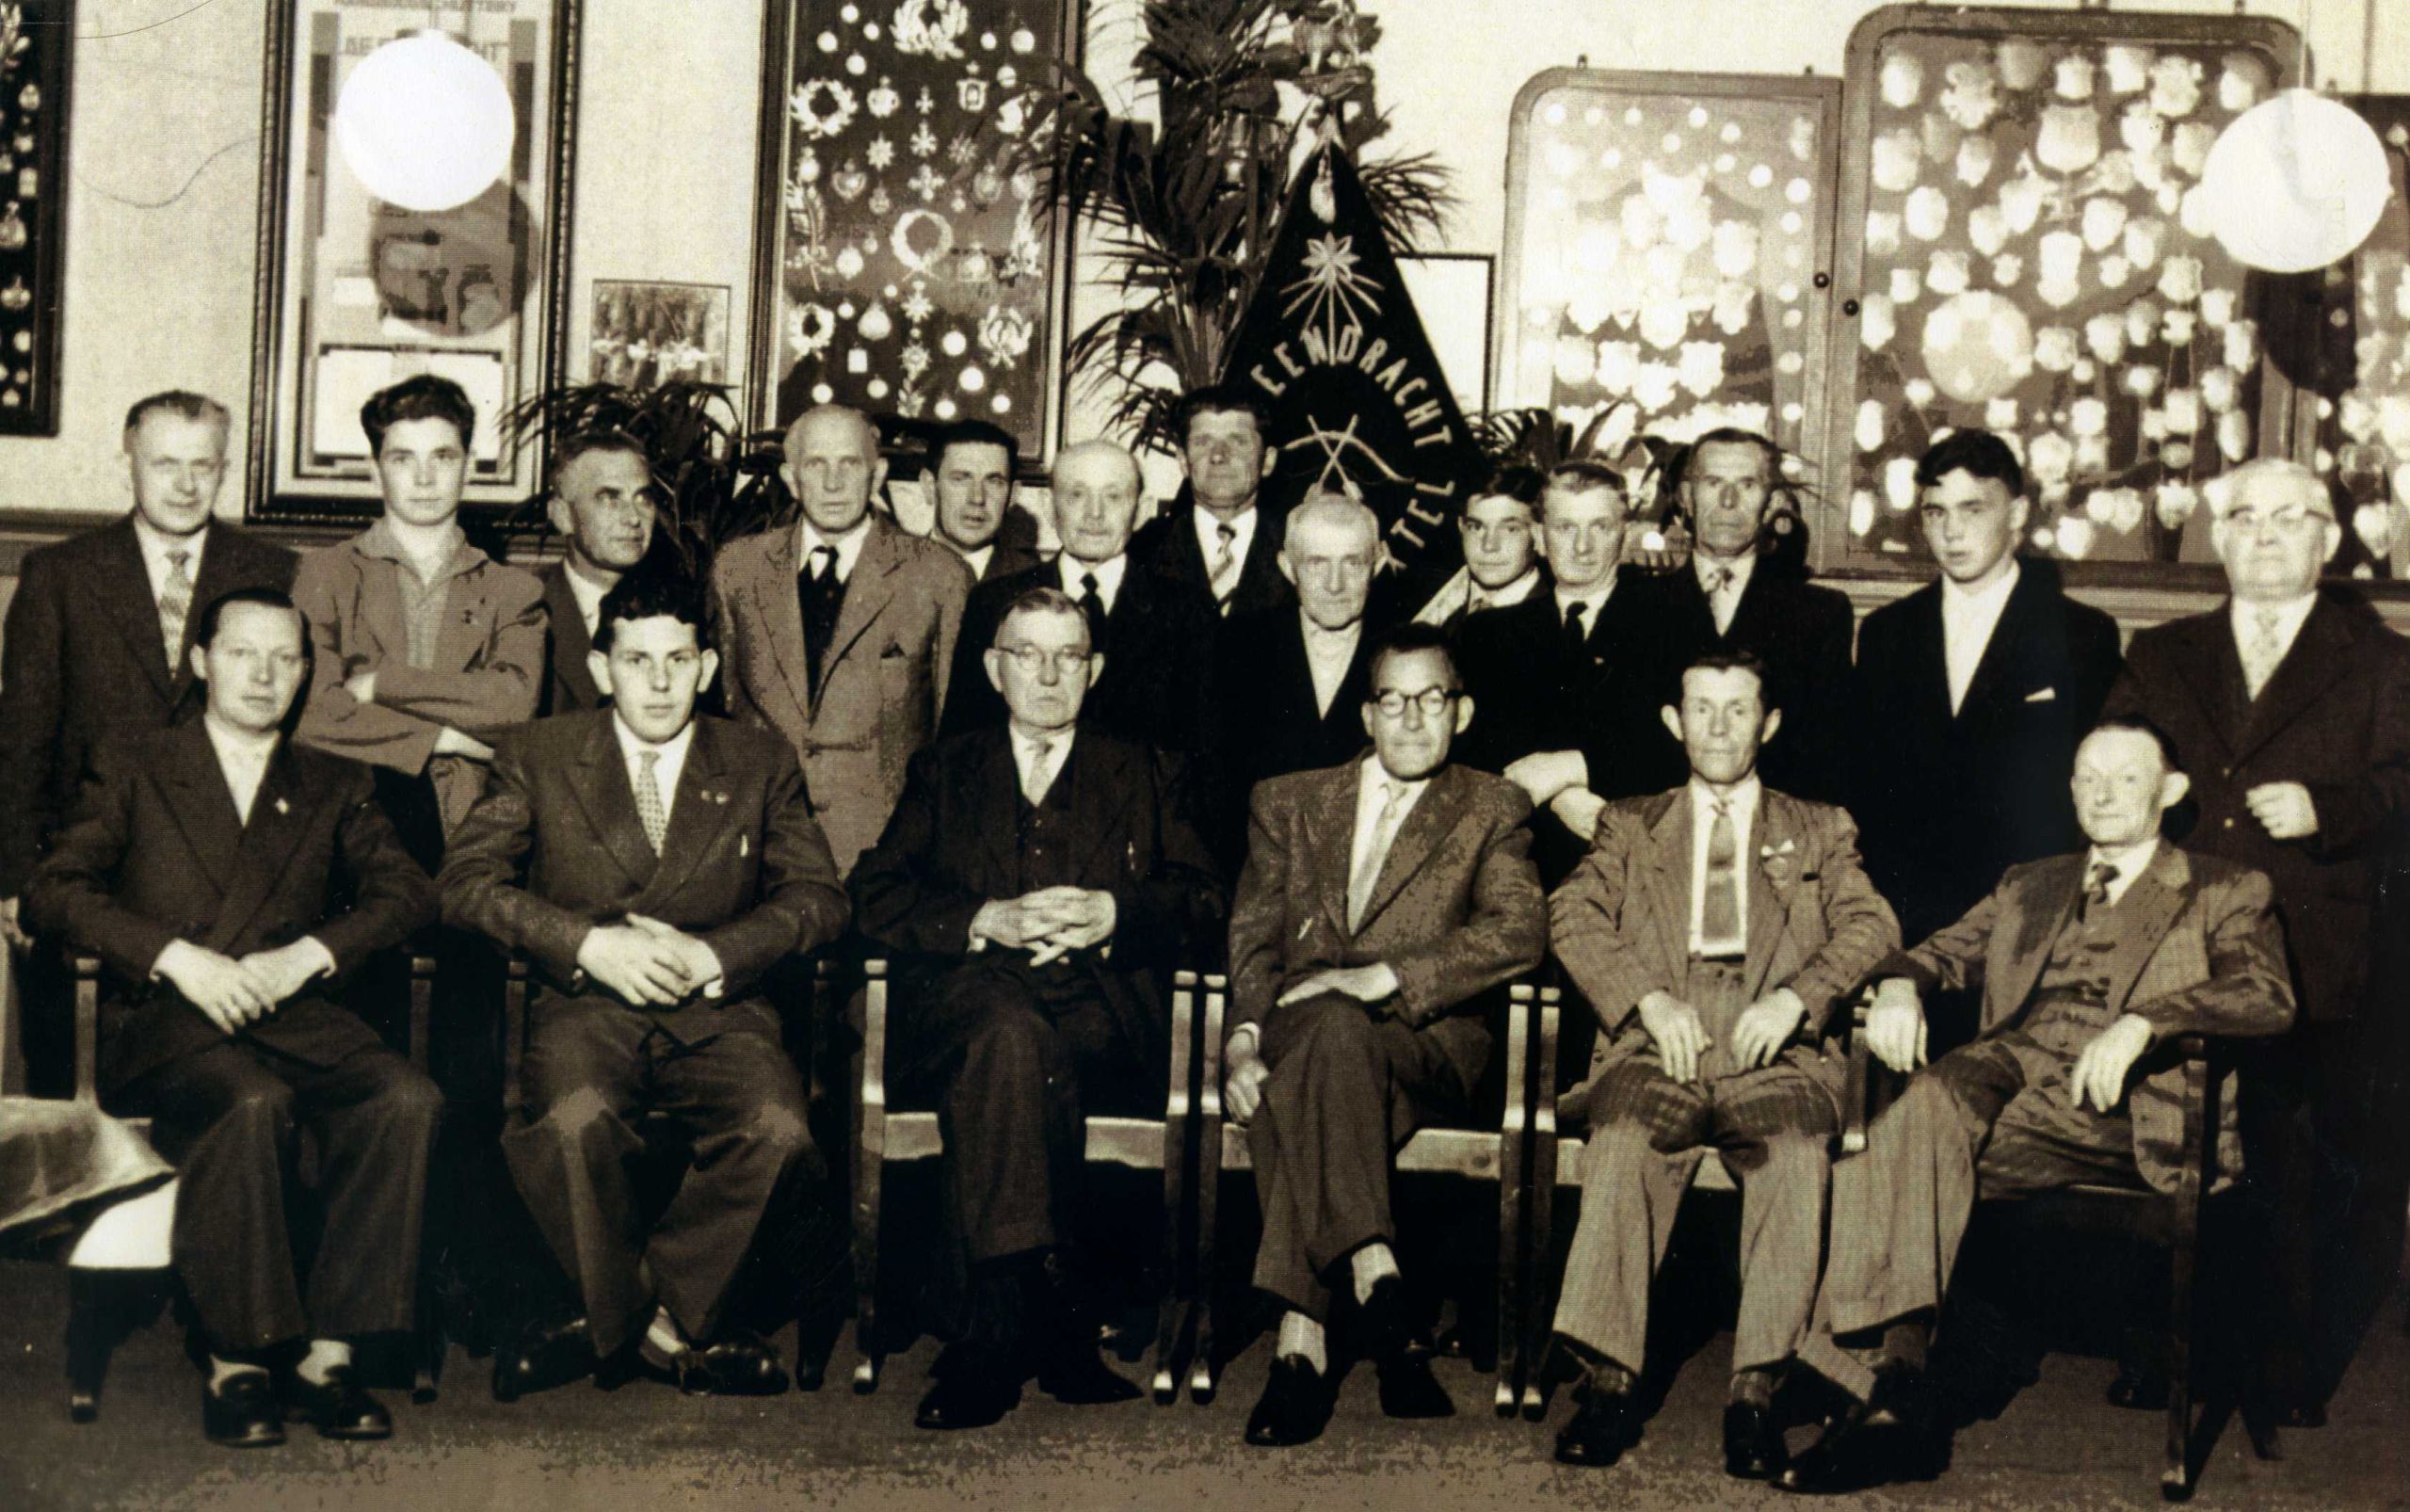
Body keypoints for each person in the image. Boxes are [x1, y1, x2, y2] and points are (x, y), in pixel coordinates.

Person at [1775, 719, 2295, 1494]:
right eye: (2088, 777)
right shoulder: (2031, 881)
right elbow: (1942, 950)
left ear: (2172, 790)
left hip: (2126, 1106)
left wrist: (2146, 1022)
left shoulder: (2224, 888)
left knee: (1896, 1143)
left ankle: (1869, 1380)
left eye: (2126, 778)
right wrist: (1901, 985)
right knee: (1928, 1100)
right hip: (2013, 1073)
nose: (2103, 794)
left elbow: (2266, 994)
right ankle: (1894, 1391)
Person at [24, 587, 440, 1448]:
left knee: (406, 1099)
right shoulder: (137, 761)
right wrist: (176, 957)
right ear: (201, 661)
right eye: (243, 653)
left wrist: (307, 956)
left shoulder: (332, 777)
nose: (263, 675)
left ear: (306, 672)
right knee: (252, 1102)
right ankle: (239, 1360)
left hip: (294, 1013)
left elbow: (407, 893)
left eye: (285, 658)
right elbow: (54, 889)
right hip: (169, 1020)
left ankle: (330, 1355)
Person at [439, 564, 850, 1397]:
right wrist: (586, 944)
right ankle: (663, 1330)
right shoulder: (541, 754)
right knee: (572, 1124)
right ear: (602, 669)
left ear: (706, 667)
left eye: (678, 661)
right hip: (586, 1005)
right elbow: (463, 884)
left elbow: (820, 898)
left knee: (780, 1133)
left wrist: (716, 956)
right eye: (636, 661)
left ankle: (639, 1317)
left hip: (722, 1013)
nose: (659, 683)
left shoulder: (758, 759)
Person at [850, 587, 1226, 1431]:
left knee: (1019, 1052)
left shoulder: (1147, 769)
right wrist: (986, 919)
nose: (1049, 675)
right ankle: (1028, 1320)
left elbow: (1208, 901)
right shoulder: (946, 769)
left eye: (1069, 657)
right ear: (994, 669)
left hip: (1100, 1010)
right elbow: (871, 895)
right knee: (1010, 1037)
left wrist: (1115, 914)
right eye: (1028, 655)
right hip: (970, 1001)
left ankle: (996, 1321)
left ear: (1095, 670)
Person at [2102, 457, 2410, 1424]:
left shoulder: (2382, 660)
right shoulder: (2162, 652)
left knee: (2291, 1156)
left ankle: (2282, 1367)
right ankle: (2167, 1352)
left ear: (2328, 539)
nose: (2265, 535)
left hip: (2315, 943)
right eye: (2243, 516)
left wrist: (2332, 808)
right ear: (2219, 537)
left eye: (2289, 518)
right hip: (2181, 935)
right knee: (2169, 1140)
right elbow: (2111, 761)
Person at [1542, 651, 1898, 1476]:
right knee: (1624, 1145)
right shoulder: (1630, 823)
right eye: (1702, 708)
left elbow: (1872, 925)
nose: (1718, 726)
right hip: (1658, 1043)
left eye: (1738, 709)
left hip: (1773, 1052)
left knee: (1795, 1159)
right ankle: (1608, 1382)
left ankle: (1756, 1392)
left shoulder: (1819, 826)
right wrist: (1643, 999)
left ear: (1768, 724)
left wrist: (1799, 998)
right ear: (1674, 721)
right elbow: (1571, 913)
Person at [1220, 621, 1545, 1447]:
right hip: (1301, 1032)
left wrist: (1385, 978)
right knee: (1326, 1037)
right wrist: (1243, 1040)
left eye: (1431, 699)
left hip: (1422, 1039)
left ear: (1461, 712)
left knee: (1324, 1047)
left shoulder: (1491, 805)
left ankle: (1304, 1338)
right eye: (1392, 701)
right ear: (1366, 715)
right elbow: (1254, 943)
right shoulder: (1288, 801)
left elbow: (1518, 931)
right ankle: (1374, 1277)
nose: (1411, 719)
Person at [0, 391, 296, 1092]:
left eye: (204, 466)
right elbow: (21, 741)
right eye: (165, 464)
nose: (186, 484)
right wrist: (14, 879)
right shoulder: (60, 574)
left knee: (227, 1089)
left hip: (228, 881)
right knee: (71, 1086)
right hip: (84, 871)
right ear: (127, 462)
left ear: (224, 469)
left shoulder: (273, 571)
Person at [1848, 429, 2122, 978]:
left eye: (1973, 509)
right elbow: (1866, 788)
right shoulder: (1887, 633)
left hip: (2028, 927)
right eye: (1936, 512)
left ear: (2017, 514)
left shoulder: (2081, 634)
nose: (1952, 531)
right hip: (1908, 921)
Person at [289, 374, 547, 859]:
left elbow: (513, 706)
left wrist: (379, 684)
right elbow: (310, 712)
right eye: (403, 458)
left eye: (443, 457)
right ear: (375, 471)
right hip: (349, 818)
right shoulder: (326, 574)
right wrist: (447, 739)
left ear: (468, 467)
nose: (424, 479)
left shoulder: (514, 590)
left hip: (473, 827)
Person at [710, 403, 971, 876]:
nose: (833, 483)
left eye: (849, 464)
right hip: (767, 850)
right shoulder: (738, 570)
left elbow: (954, 735)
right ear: (791, 479)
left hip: (887, 855)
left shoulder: (938, 575)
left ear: (878, 475)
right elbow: (727, 712)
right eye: (816, 465)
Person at [1457, 461, 1678, 881]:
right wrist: (1561, 798)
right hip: (1520, 869)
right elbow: (1477, 749)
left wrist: (1575, 768)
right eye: (1565, 528)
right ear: (1539, 537)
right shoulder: (1487, 635)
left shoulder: (1672, 623)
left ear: (1625, 534)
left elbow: (1685, 744)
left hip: (1641, 868)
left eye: (1599, 527)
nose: (1581, 546)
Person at [941, 439, 1219, 753]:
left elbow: (1204, 751)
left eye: (1113, 496)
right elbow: (961, 745)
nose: (1094, 513)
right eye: (1076, 495)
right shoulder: (993, 602)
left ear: (1141, 511)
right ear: (1049, 506)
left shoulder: (1187, 610)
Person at [1649, 430, 1855, 802]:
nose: (1728, 501)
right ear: (1686, 497)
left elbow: (1827, 750)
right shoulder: (1640, 604)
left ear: (1771, 502)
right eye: (1713, 483)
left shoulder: (1821, 614)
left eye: (1746, 485)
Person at [1206, 491, 1393, 873]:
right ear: (1288, 567)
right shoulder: (1234, 647)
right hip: (1253, 876)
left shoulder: (1405, 654)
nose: (1335, 584)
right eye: (1317, 563)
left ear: (1377, 565)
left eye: (1352, 563)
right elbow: (1210, 788)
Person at [1128, 384, 1293, 619]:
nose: (1218, 455)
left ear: (1267, 461)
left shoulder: (1299, 549)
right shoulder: (1140, 551)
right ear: (1183, 461)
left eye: (1238, 441)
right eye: (1203, 442)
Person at [536, 430, 658, 715]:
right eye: (609, 498)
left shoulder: (684, 611)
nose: (633, 518)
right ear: (563, 516)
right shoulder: (522, 608)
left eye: (643, 499)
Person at [1411, 465, 1550, 627]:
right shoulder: (1430, 593)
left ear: (1538, 535)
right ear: (1461, 527)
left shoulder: (1548, 623)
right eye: (1476, 527)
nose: (1488, 545)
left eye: (1510, 529)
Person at [923, 417, 1041, 584]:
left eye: (994, 482)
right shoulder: (892, 572)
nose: (977, 498)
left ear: (1012, 494)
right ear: (929, 486)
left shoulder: (1036, 582)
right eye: (960, 479)